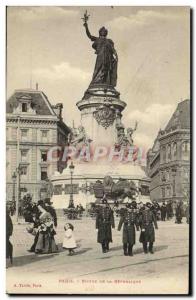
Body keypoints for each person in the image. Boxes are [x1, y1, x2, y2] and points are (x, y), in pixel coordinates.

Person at [83, 16, 118, 87]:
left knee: (107, 70)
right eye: (102, 31)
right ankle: (96, 82)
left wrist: (116, 56)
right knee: (98, 68)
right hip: (100, 57)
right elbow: (89, 35)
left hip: (108, 58)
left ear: (106, 33)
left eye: (105, 31)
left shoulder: (109, 41)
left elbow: (113, 50)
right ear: (100, 33)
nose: (103, 32)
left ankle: (106, 83)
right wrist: (86, 26)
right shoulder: (97, 39)